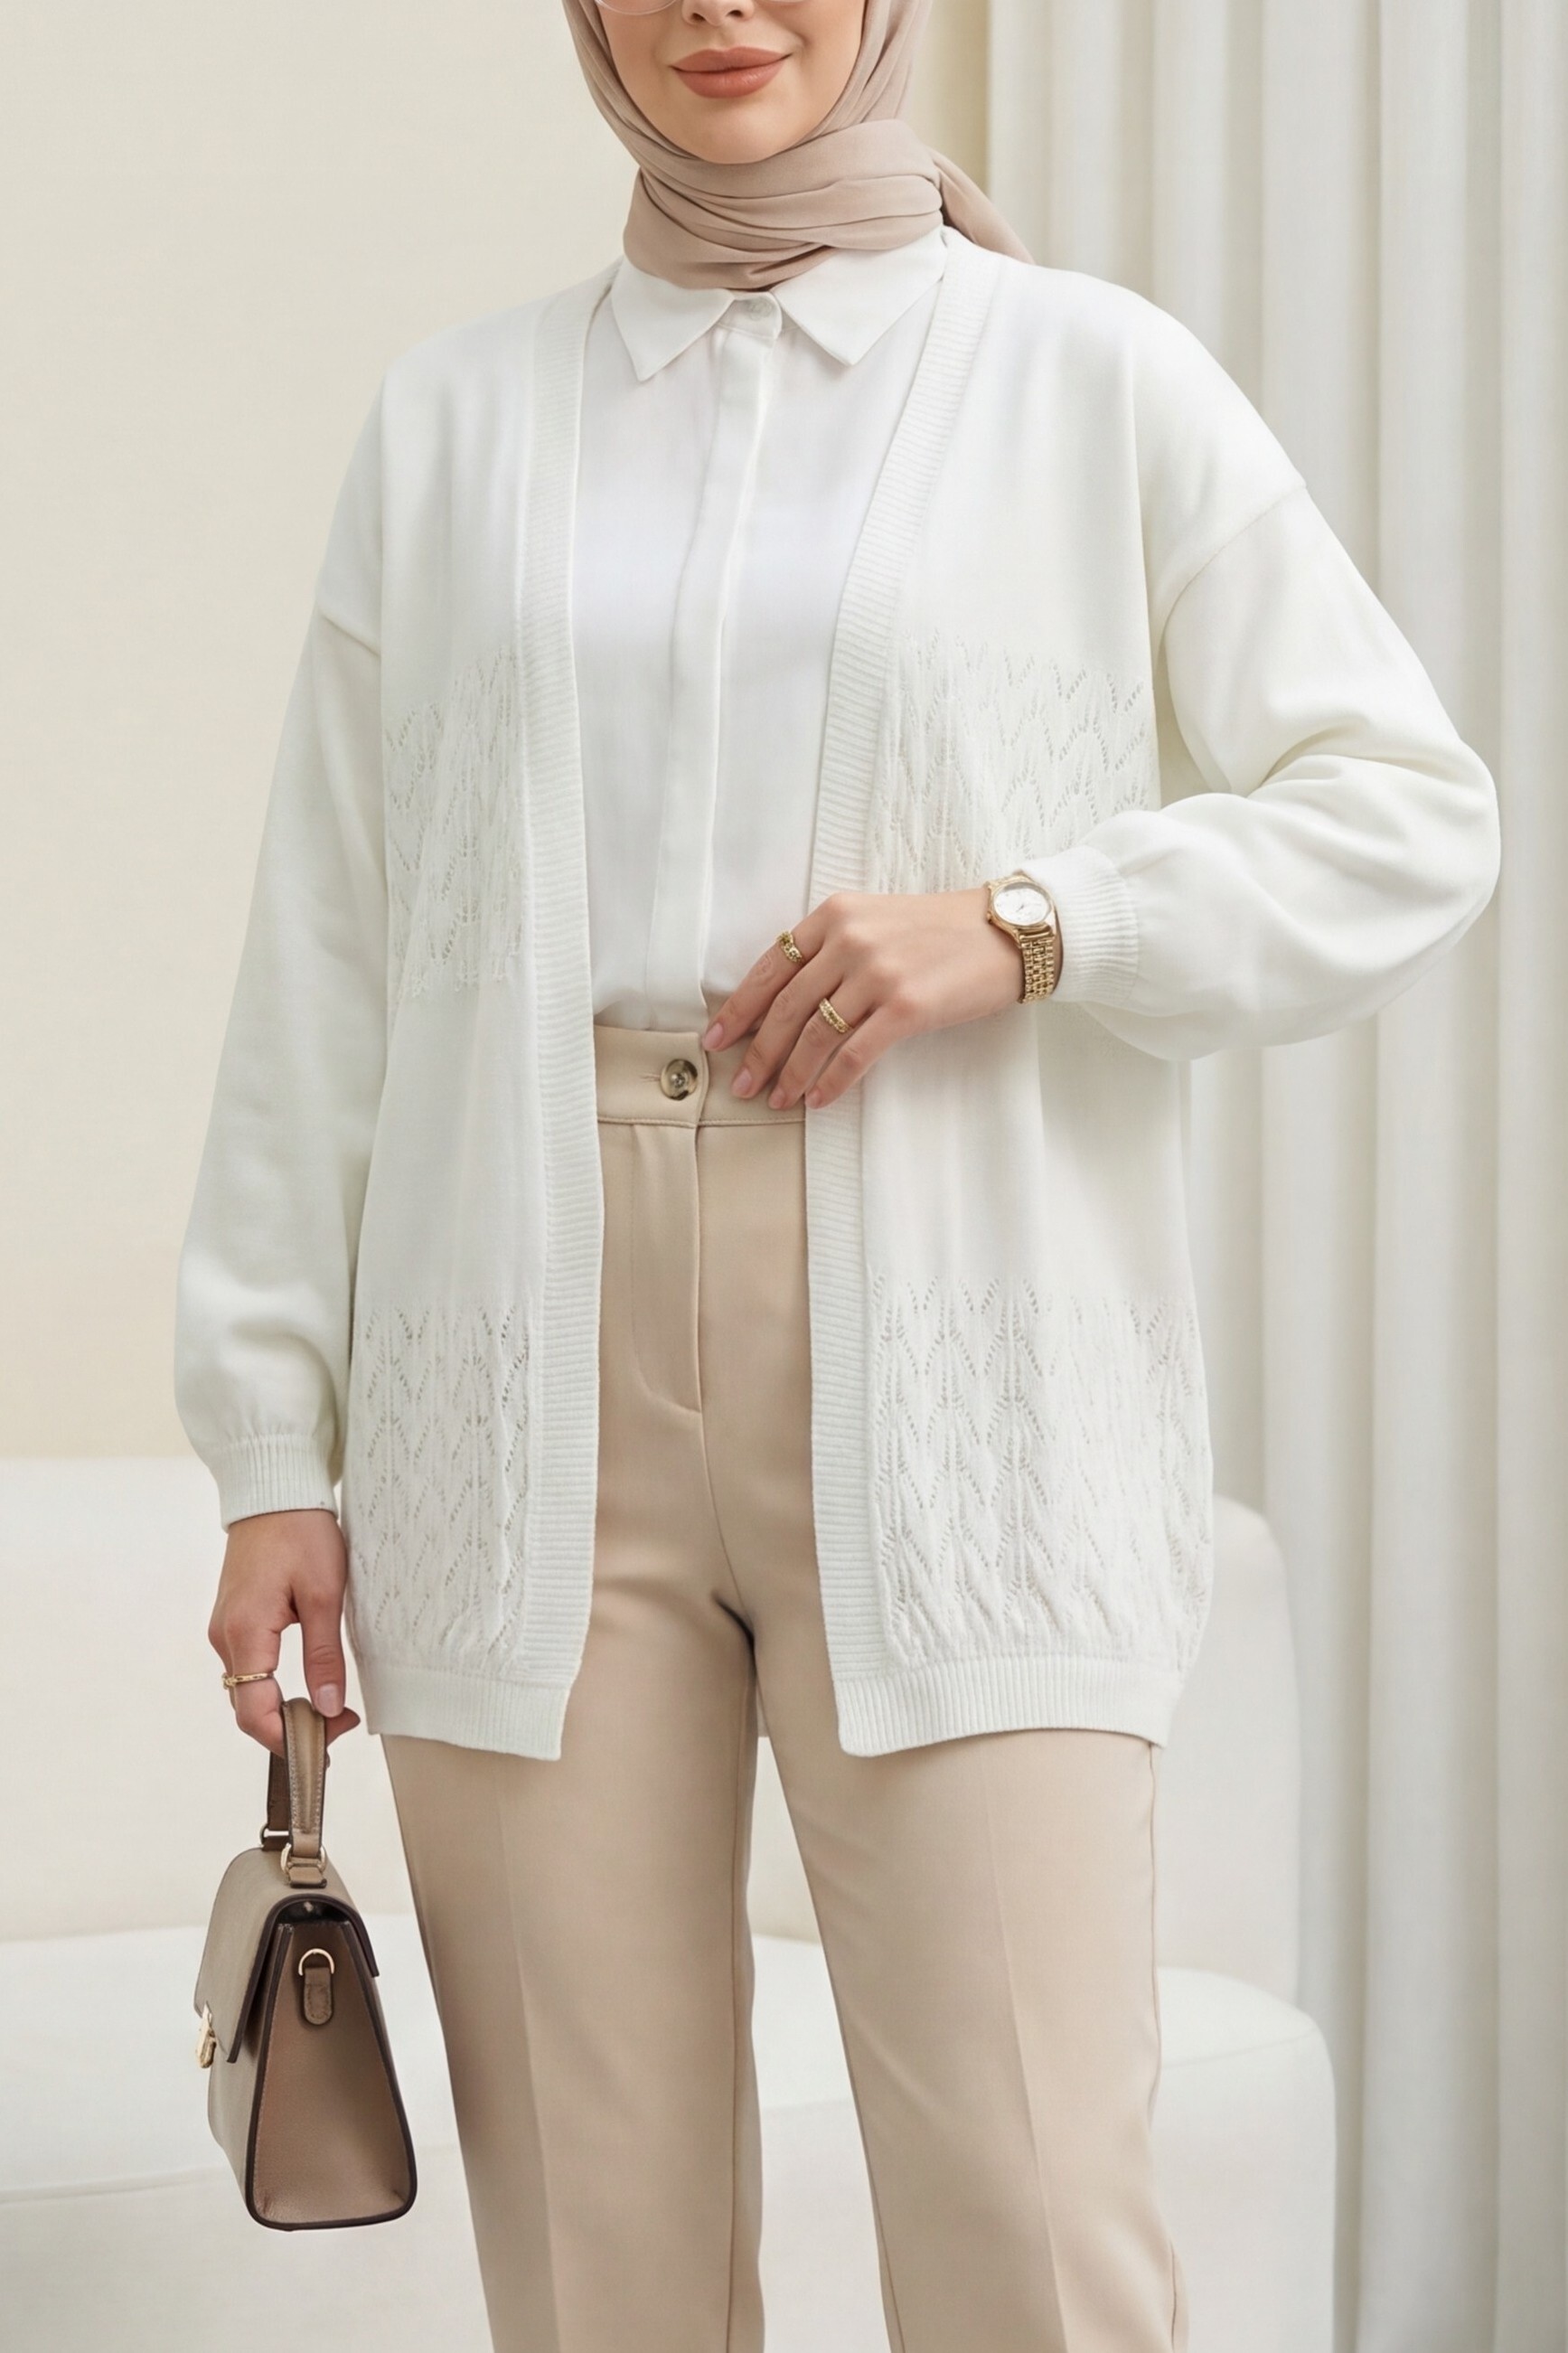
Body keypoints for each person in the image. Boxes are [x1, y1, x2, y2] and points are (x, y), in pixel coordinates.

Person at [174, 1, 1500, 2346]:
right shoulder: (456, 421)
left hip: (964, 1363)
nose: (719, 7)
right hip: (516, 1375)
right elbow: (332, 951)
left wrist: (1032, 919)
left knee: (1029, 2218)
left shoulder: (1087, 378)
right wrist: (275, 1440)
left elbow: (1409, 814)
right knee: (596, 2257)